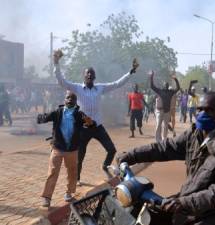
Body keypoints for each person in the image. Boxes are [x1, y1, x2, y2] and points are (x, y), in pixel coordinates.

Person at [117, 92, 215, 225]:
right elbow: (165, 148)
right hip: (187, 202)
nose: (203, 114)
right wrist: (132, 155)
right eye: (200, 109)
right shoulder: (195, 133)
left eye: (209, 110)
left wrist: (184, 202)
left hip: (211, 214)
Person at [53, 50, 139, 184]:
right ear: (84, 76)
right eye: (87, 72)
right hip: (83, 128)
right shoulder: (77, 88)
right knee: (80, 156)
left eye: (91, 73)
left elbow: (117, 84)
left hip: (97, 126)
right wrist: (56, 63)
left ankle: (105, 166)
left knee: (111, 149)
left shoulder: (100, 88)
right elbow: (61, 81)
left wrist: (130, 72)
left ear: (94, 77)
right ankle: (77, 179)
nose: (89, 74)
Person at [37, 91, 95, 207]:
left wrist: (89, 121)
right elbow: (44, 118)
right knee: (53, 172)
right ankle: (47, 197)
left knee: (72, 173)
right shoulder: (58, 112)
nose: (70, 100)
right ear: (64, 100)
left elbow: (91, 125)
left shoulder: (79, 114)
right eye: (68, 98)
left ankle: (69, 193)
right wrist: (40, 117)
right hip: (58, 148)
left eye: (73, 99)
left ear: (75, 102)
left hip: (72, 149)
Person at [150, 70, 180, 142]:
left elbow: (178, 88)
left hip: (167, 111)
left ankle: (164, 139)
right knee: (158, 125)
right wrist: (151, 76)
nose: (166, 85)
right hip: (159, 111)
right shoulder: (160, 91)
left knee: (166, 126)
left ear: (168, 86)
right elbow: (152, 86)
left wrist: (175, 79)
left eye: (167, 85)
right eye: (165, 85)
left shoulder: (170, 92)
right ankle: (158, 140)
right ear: (164, 86)